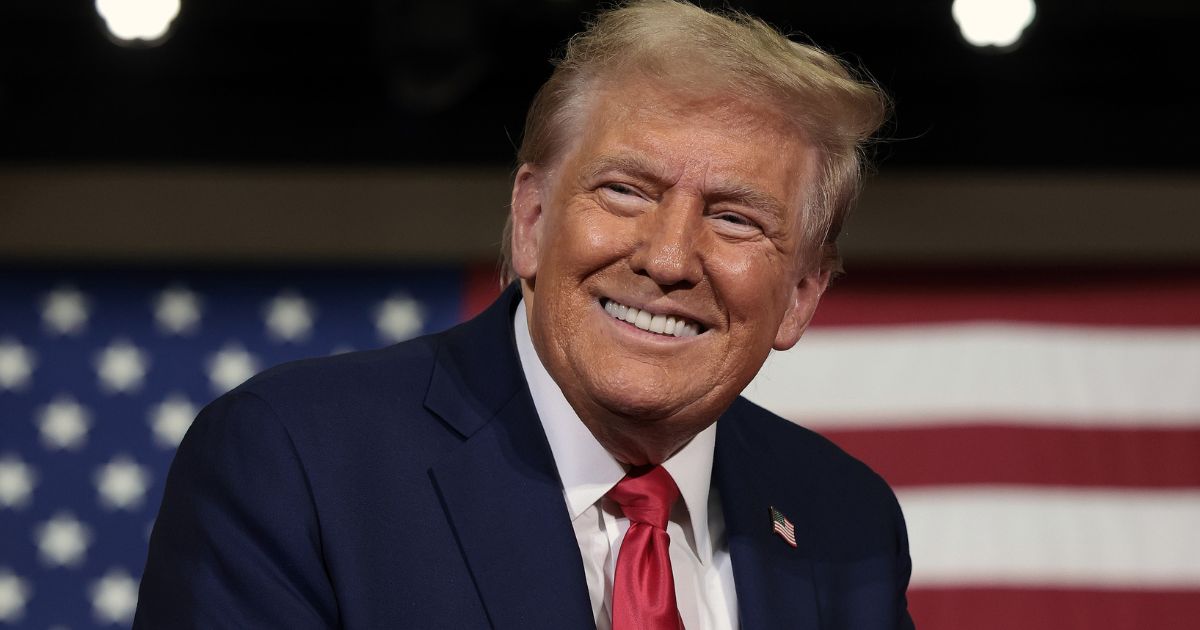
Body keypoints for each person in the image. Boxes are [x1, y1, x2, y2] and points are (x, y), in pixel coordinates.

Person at [134, 1, 913, 628]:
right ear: (532, 220)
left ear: (803, 295)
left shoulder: (845, 517)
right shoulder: (297, 458)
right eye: (627, 191)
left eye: (737, 219)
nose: (669, 258)